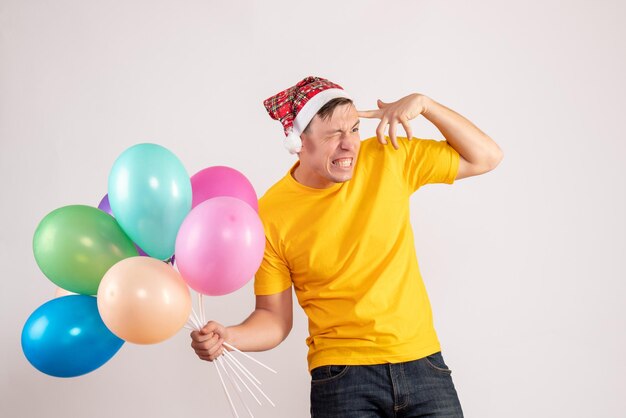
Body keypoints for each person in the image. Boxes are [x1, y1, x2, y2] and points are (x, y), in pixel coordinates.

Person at [191, 76, 503, 417]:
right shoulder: (270, 215)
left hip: (423, 364)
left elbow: (486, 157)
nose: (349, 144)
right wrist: (228, 337)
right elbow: (274, 319)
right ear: (298, 141)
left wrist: (425, 103)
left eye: (354, 129)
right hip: (342, 379)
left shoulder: (389, 156)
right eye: (332, 135)